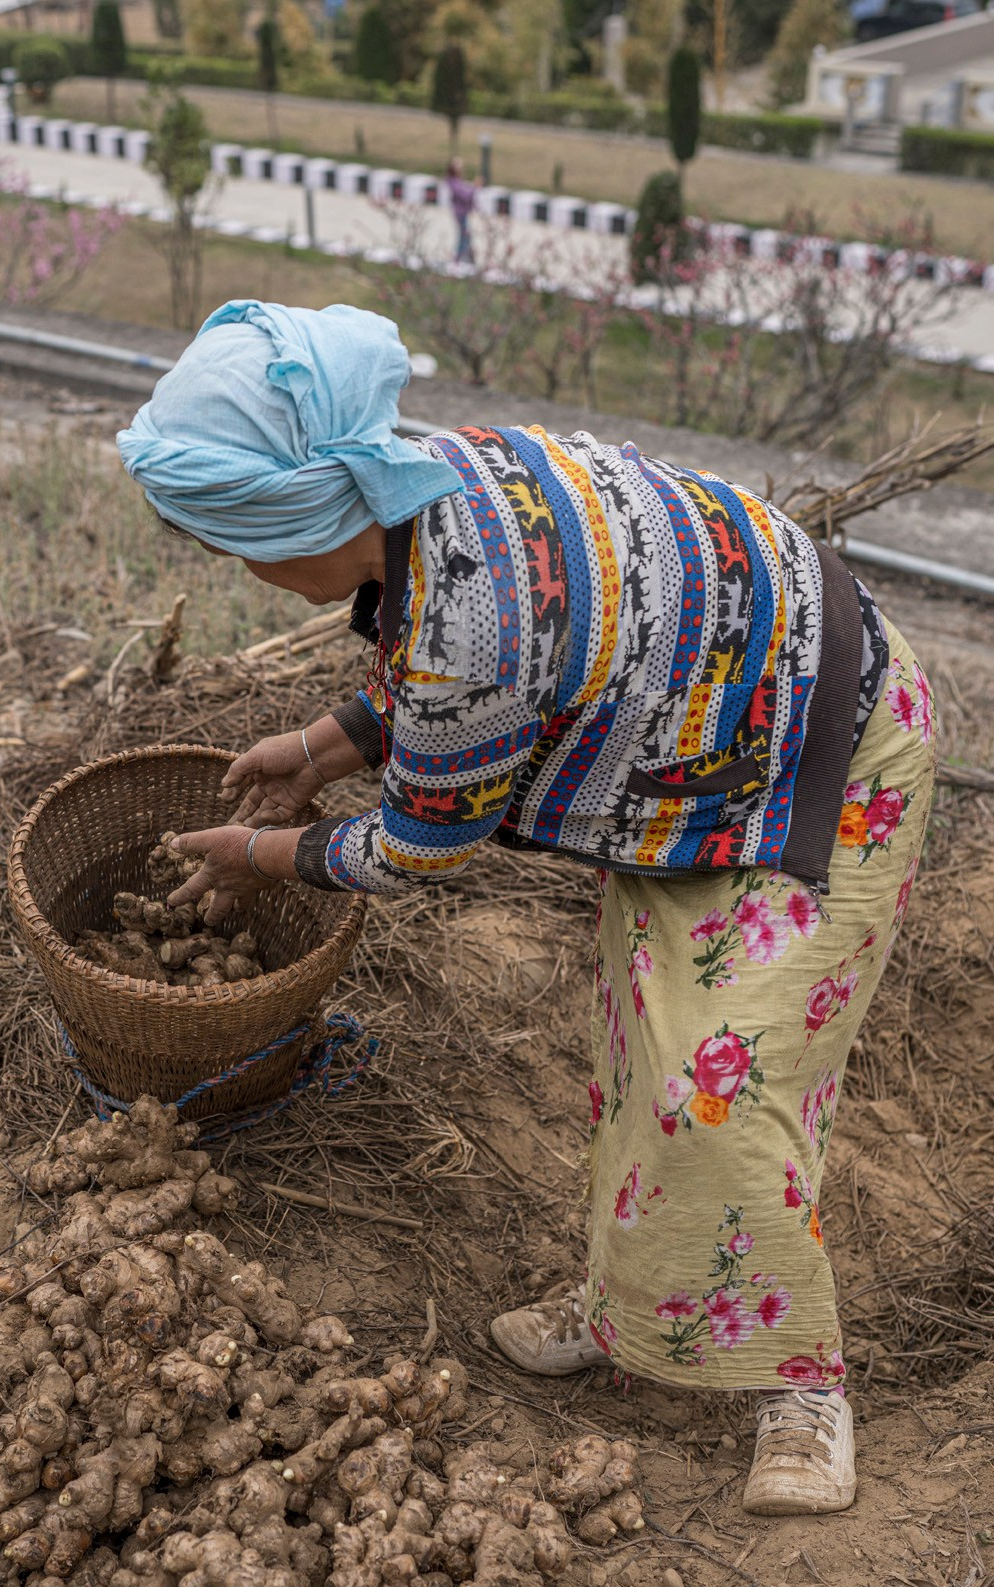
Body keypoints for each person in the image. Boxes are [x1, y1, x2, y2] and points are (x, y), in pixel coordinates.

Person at [117, 299, 935, 1518]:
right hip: (698, 753)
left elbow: (418, 849)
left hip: (821, 756)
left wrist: (267, 849)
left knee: (721, 1081)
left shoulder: (472, 622)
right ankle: (628, 1303)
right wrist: (318, 745)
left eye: (229, 540)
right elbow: (458, 672)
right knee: (642, 1049)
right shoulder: (434, 486)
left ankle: (800, 1390)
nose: (233, 566)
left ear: (296, 525)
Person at [445, 156, 476, 265]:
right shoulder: (454, 183)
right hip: (460, 213)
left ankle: (466, 258)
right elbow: (465, 196)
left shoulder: (457, 181)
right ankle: (458, 259)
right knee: (463, 235)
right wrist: (475, 187)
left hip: (462, 212)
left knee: (466, 235)